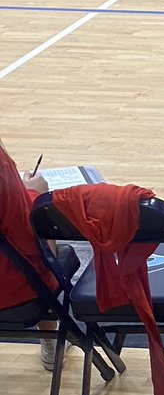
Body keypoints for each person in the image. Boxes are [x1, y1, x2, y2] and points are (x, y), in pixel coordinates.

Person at [0, 143, 59, 373]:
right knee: (47, 253)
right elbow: (36, 247)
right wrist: (37, 195)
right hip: (14, 299)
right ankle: (52, 342)